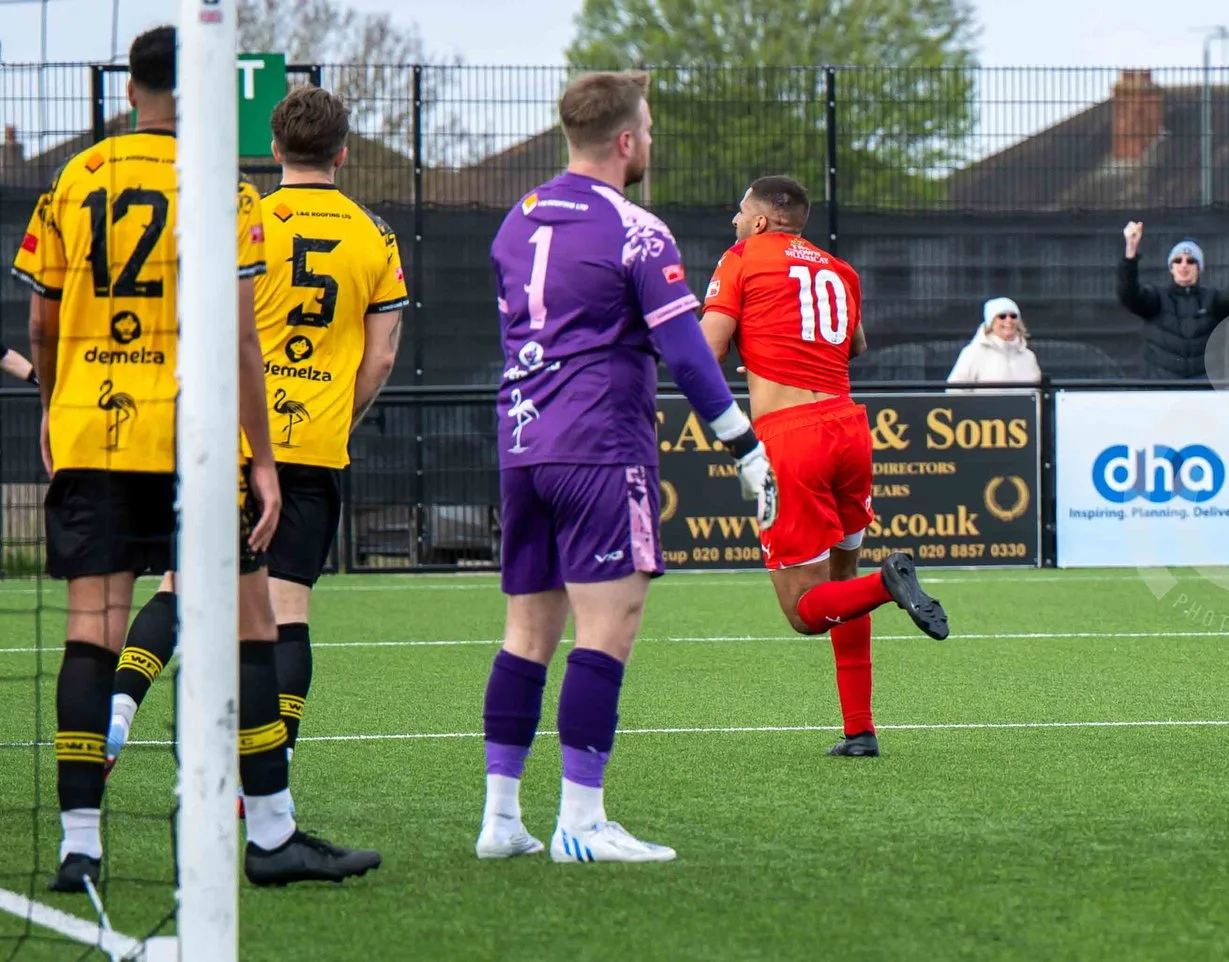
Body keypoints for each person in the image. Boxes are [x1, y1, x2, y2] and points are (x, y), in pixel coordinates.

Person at [12, 26, 376, 890]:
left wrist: (54, 405)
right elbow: (241, 337)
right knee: (254, 623)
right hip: (192, 438)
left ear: (130, 87)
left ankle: (79, 846)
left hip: (94, 429)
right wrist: (260, 460)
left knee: (90, 632)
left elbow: (38, 323)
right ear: (202, 87)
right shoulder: (226, 191)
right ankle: (273, 835)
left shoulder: (75, 178)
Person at [475, 72, 778, 863]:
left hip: (524, 445)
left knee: (525, 635)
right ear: (627, 140)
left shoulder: (518, 219)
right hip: (601, 448)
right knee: (609, 627)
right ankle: (581, 820)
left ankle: (500, 819)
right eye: (646, 127)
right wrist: (744, 444)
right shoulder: (638, 230)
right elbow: (685, 350)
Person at [103, 87, 409, 795]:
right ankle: (269, 780)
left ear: (273, 150)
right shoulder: (376, 235)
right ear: (343, 151)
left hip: (231, 443)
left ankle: (115, 715)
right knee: (286, 614)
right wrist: (341, 414)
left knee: (179, 589)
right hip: (315, 448)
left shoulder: (246, 218)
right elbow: (384, 356)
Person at [698, 175, 949, 759]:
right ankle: (860, 730)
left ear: (761, 220)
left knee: (804, 613)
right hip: (848, 430)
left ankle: (890, 586)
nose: (734, 222)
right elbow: (853, 343)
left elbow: (705, 350)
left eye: (739, 213)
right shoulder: (840, 269)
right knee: (844, 585)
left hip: (790, 441)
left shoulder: (741, 257)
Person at [1117, 221, 1229, 379]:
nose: (1184, 265)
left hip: (1204, 393)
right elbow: (1128, 293)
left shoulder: (1213, 299)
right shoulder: (1157, 298)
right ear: (1171, 268)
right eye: (1178, 261)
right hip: (1162, 393)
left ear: (1199, 268)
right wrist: (1130, 253)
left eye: (1191, 261)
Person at [946, 297, 1041, 387]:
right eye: (1002, 316)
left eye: (1013, 316)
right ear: (991, 322)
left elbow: (1038, 394)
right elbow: (955, 391)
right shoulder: (972, 353)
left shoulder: (1029, 356)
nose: (1009, 320)